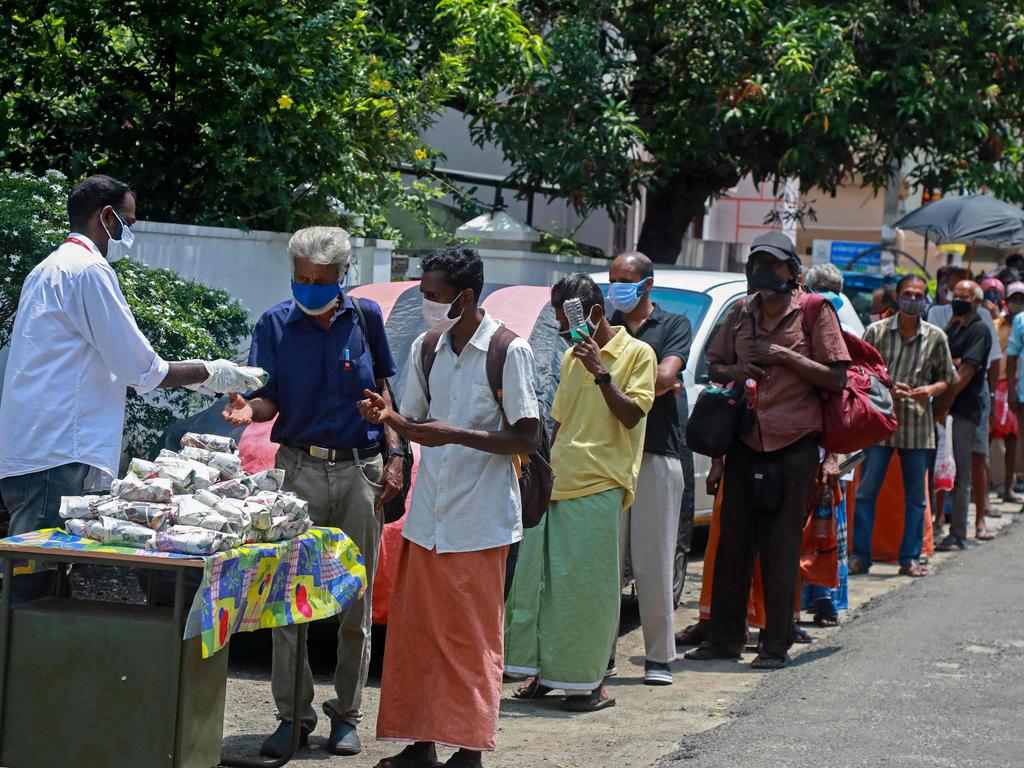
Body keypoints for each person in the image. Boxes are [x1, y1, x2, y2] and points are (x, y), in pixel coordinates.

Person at [0, 175, 256, 602]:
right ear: (106, 216)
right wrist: (211, 372)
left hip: (43, 452)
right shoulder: (88, 271)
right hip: (58, 455)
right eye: (129, 222)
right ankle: (18, 668)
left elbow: (103, 367)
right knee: (33, 586)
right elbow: (143, 367)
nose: (130, 234)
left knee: (46, 585)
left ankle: (41, 666)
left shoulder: (48, 269)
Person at [222, 226, 403, 758]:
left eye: (321, 280)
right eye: (302, 279)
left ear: (344, 276)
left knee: (356, 597)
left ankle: (346, 715)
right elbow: (267, 399)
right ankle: (292, 715)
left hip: (359, 470)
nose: (310, 288)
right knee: (287, 596)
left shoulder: (366, 318)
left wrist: (393, 454)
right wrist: (245, 410)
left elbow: (384, 392)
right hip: (297, 470)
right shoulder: (274, 324)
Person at [358, 246, 540, 768]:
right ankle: (420, 745)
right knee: (417, 640)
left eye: (435, 296)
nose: (427, 304)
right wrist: (388, 419)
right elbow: (414, 420)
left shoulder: (509, 350)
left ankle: (468, 751)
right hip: (427, 519)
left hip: (480, 523)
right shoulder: (427, 347)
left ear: (465, 296)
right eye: (423, 294)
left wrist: (453, 434)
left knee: (468, 643)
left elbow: (527, 436)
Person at [684, 231, 849, 670]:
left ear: (793, 273)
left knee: (780, 549)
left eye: (771, 263)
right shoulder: (740, 312)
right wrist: (738, 368)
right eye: (756, 261)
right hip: (743, 442)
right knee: (732, 547)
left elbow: (836, 378)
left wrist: (782, 356)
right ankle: (723, 640)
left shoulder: (816, 311)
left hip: (794, 446)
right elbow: (714, 366)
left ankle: (774, 645)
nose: (761, 270)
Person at [505, 272, 656, 710]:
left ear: (592, 314)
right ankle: (543, 674)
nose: (565, 331)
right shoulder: (573, 357)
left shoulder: (637, 353)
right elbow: (559, 423)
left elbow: (631, 417)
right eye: (558, 322)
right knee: (536, 586)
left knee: (585, 589)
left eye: (568, 321)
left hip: (601, 483)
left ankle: (587, 683)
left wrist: (601, 373)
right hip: (556, 482)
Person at [606, 251, 692, 686]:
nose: (616, 287)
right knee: (605, 561)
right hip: (609, 454)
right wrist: (648, 386)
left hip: (657, 451)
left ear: (647, 284)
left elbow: (665, 378)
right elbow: (653, 382)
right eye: (612, 279)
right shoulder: (607, 324)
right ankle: (598, 656)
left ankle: (659, 657)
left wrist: (616, 387)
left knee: (653, 560)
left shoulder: (674, 325)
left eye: (625, 279)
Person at [850, 275, 954, 577]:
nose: (912, 299)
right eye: (907, 294)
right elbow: (857, 371)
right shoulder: (876, 332)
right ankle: (860, 555)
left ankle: (909, 558)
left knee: (916, 499)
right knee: (866, 493)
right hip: (880, 423)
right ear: (897, 297)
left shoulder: (936, 336)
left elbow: (948, 378)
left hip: (918, 425)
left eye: (918, 295)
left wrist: (930, 391)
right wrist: (885, 388)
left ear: (925, 299)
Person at [929, 268, 1001, 525]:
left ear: (977, 302)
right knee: (939, 469)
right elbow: (941, 362)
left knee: (962, 471)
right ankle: (938, 521)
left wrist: (944, 400)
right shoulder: (950, 326)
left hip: (964, 409)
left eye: (964, 296)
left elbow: (966, 371)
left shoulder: (979, 329)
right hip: (943, 408)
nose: (957, 300)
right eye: (955, 294)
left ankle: (959, 530)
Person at [991, 281, 1024, 503]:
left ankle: (1009, 487)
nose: (1017, 303)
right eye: (1014, 299)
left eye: (1021, 299)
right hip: (999, 386)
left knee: (1013, 440)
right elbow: (1007, 355)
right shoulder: (996, 325)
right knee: (991, 437)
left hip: (1013, 386)